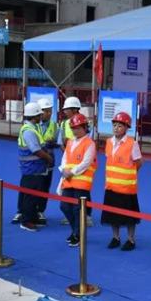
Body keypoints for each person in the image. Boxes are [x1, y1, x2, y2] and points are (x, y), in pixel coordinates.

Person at [102, 112, 142, 251]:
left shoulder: (132, 143)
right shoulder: (108, 142)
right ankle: (115, 237)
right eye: (114, 125)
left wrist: (128, 175)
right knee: (113, 214)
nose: (116, 128)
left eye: (120, 125)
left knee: (130, 216)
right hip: (111, 186)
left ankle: (131, 240)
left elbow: (138, 162)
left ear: (126, 127)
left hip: (126, 187)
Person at [58, 113, 97, 247]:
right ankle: (76, 231)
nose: (76, 131)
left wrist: (71, 172)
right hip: (69, 180)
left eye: (78, 128)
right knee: (64, 206)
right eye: (73, 128)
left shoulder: (89, 143)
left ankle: (78, 234)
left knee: (77, 209)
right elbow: (65, 158)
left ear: (85, 127)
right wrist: (63, 169)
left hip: (81, 182)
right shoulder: (70, 142)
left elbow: (86, 162)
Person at [17, 102, 54, 232]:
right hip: (31, 168)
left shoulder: (31, 128)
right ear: (35, 116)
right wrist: (49, 158)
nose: (41, 116)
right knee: (30, 197)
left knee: (34, 195)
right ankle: (27, 221)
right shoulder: (29, 131)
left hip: (34, 168)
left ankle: (32, 217)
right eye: (39, 114)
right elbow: (36, 150)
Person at [37, 98, 58, 223]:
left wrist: (53, 143)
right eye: (45, 111)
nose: (48, 113)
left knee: (45, 187)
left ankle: (40, 211)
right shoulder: (33, 125)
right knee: (34, 186)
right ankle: (26, 210)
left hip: (49, 162)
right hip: (35, 162)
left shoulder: (55, 126)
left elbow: (57, 144)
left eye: (49, 111)